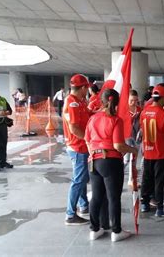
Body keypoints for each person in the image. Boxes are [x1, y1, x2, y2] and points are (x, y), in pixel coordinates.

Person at [84, 89, 138, 242]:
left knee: (96, 196)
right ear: (117, 101)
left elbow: (87, 141)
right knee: (113, 197)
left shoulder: (93, 118)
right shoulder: (115, 119)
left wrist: (95, 154)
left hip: (93, 160)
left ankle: (94, 230)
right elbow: (118, 145)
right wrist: (133, 149)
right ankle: (116, 231)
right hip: (111, 161)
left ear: (101, 100)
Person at [140, 84, 164, 217]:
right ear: (162, 98)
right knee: (161, 181)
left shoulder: (144, 112)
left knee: (146, 179)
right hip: (161, 154)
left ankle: (144, 204)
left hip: (147, 153)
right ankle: (161, 208)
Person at [63, 74, 91, 225]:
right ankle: (70, 214)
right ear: (82, 88)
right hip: (78, 146)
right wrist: (88, 139)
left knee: (81, 178)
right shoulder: (72, 103)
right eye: (86, 87)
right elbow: (74, 128)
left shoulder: (79, 101)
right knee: (78, 180)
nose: (87, 90)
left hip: (79, 146)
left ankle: (83, 205)